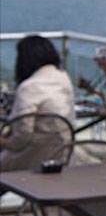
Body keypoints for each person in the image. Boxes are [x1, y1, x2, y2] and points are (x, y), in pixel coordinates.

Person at [0, 35, 76, 171]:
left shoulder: (29, 87)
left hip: (33, 157)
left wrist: (3, 142)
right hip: (63, 152)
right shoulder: (63, 78)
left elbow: (21, 138)